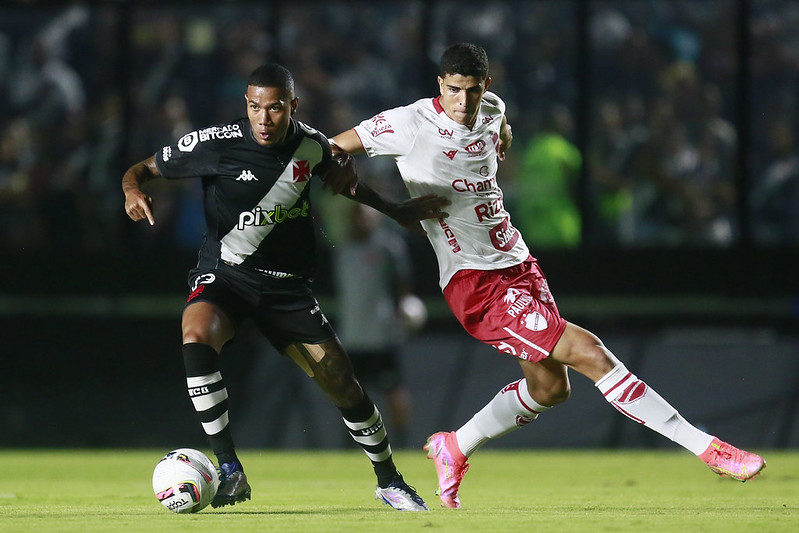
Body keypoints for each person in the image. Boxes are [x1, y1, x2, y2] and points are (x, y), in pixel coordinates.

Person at [330, 43, 766, 509]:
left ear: (486, 88)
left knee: (550, 388)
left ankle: (453, 446)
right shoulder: (409, 123)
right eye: (453, 90)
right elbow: (331, 149)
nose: (461, 101)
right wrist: (392, 208)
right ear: (440, 85)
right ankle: (709, 448)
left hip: (517, 263)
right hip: (473, 281)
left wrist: (506, 137)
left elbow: (498, 127)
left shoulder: (492, 109)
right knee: (589, 351)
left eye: (471, 91)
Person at [122, 63, 431, 511]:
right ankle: (229, 469)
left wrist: (395, 209)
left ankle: (390, 481)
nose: (263, 119)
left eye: (274, 109)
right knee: (195, 333)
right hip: (225, 276)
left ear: (292, 106)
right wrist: (132, 190)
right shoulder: (215, 144)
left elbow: (347, 183)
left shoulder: (313, 146)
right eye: (254, 108)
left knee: (343, 384)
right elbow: (141, 169)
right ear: (245, 105)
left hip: (288, 290)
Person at [333, 202, 426, 447]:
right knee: (349, 393)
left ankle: (402, 440)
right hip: (351, 335)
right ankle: (350, 442)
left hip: (382, 334)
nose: (361, 220)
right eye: (357, 215)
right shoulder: (342, 248)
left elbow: (403, 284)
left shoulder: (388, 246)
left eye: (366, 215)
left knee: (393, 389)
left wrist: (406, 310)